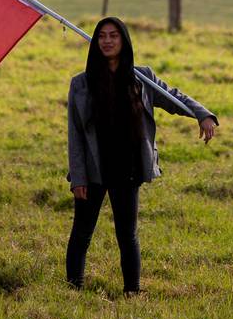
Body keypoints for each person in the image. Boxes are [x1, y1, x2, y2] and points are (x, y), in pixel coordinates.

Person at [65, 16, 218, 294]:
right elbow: (74, 136)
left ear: (124, 41)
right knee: (82, 234)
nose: (107, 41)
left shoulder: (142, 77)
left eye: (114, 36)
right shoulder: (81, 84)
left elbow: (174, 98)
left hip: (128, 167)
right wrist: (78, 177)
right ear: (95, 42)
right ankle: (73, 290)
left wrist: (202, 114)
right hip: (92, 170)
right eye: (102, 36)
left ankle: (132, 292)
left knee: (128, 235)